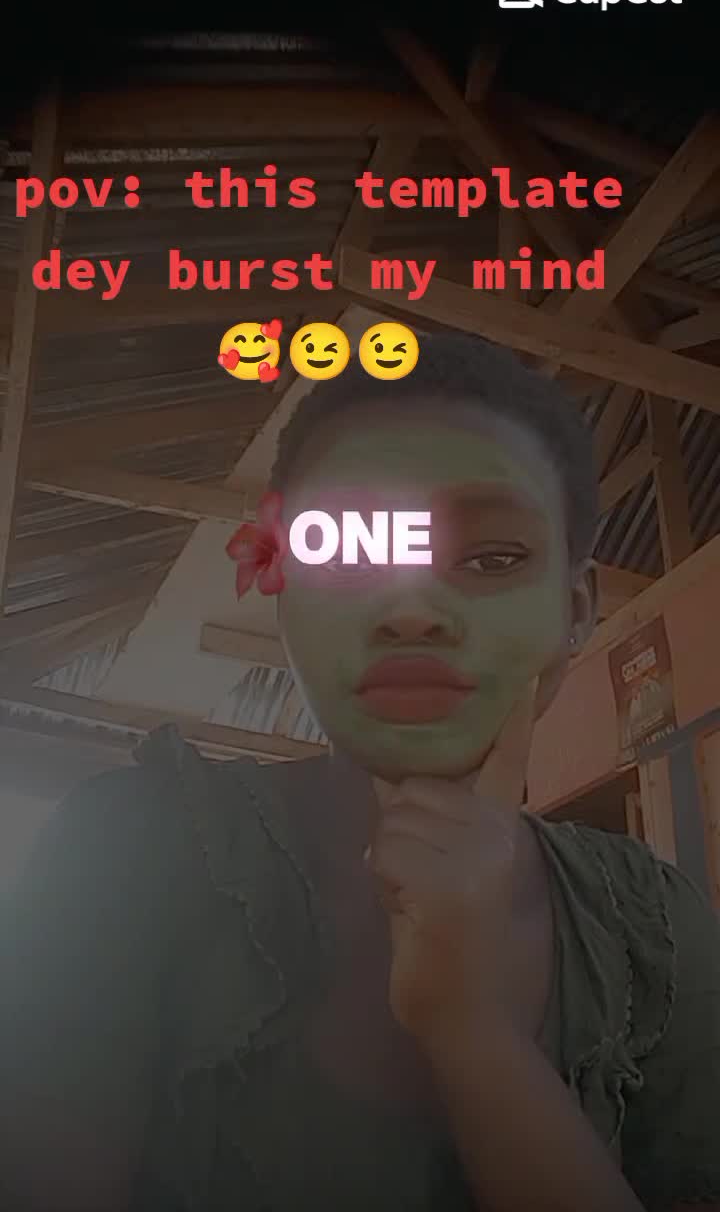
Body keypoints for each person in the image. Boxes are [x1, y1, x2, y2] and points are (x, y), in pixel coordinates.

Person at [1, 335, 719, 1211]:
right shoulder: (127, 855)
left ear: (574, 610)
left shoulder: (656, 929)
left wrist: (469, 1028)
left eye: (492, 558)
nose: (412, 609)